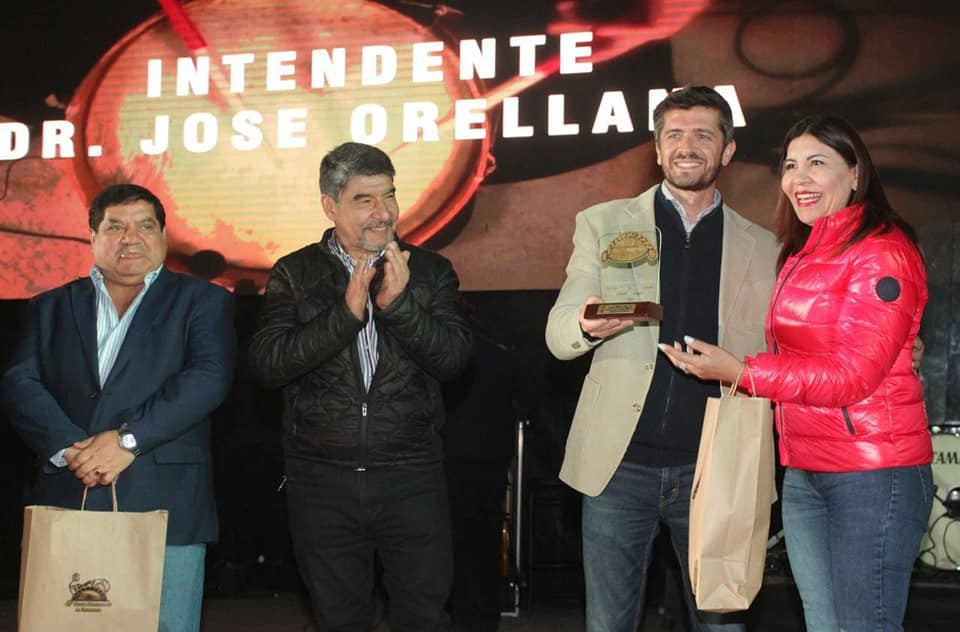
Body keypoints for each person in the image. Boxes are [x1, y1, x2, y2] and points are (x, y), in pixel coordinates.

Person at [661, 114, 933, 631]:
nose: (799, 179)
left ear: (855, 174)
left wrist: (742, 371)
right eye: (790, 166)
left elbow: (851, 377)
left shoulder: (882, 251)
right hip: (806, 471)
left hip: (872, 473)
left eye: (817, 163)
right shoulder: (802, 252)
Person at [544, 86, 779, 631]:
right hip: (618, 467)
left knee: (722, 625)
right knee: (609, 625)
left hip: (717, 468)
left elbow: (788, 349)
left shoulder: (767, 248)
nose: (686, 146)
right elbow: (558, 333)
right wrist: (584, 324)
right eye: (673, 134)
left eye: (702, 135)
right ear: (656, 148)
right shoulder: (603, 224)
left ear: (727, 150)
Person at [249, 141, 472, 631]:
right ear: (330, 206)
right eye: (364, 199)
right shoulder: (295, 271)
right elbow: (268, 364)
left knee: (424, 616)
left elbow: (453, 360)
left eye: (389, 195)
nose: (383, 212)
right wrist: (346, 315)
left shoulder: (430, 271)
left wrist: (398, 306)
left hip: (410, 475)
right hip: (321, 480)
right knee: (339, 618)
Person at [0, 183, 237, 632]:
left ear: (163, 235)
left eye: (145, 226)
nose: (131, 238)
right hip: (71, 491)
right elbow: (20, 382)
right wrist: (71, 450)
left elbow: (208, 378)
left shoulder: (203, 301)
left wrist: (128, 441)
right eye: (115, 227)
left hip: (165, 502)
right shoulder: (49, 306)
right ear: (93, 237)